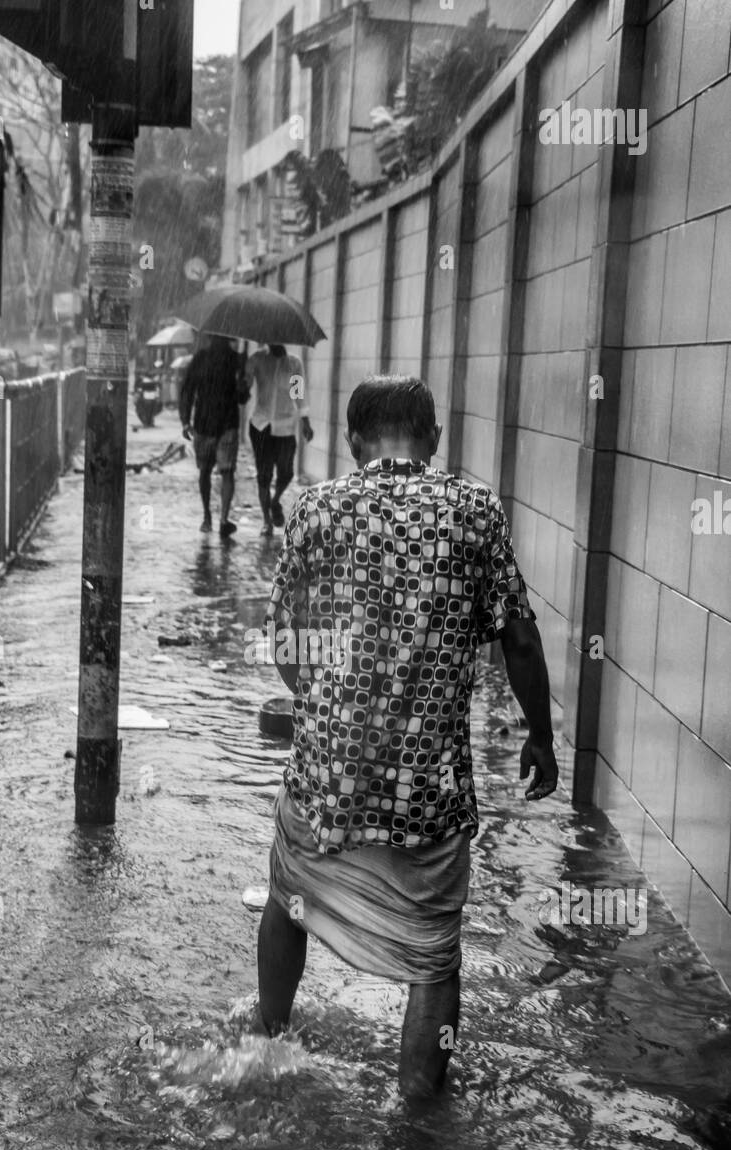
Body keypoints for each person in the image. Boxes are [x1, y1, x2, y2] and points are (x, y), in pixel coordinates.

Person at [257, 375, 558, 1102]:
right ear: (434, 439)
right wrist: (541, 736)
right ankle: (418, 1113)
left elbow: (286, 645)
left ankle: (268, 1047)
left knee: (288, 897)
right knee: (433, 959)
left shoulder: (316, 509)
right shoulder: (476, 510)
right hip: (428, 788)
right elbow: (517, 637)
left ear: (355, 441)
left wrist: (328, 709)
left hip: (328, 778)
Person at [179, 334, 248, 538]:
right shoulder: (235, 360)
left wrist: (185, 420)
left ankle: (212, 517)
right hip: (221, 423)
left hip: (209, 423)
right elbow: (242, 398)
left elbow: (187, 391)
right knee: (222, 472)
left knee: (209, 471)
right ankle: (220, 518)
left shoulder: (204, 359)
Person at [244, 343, 314, 533]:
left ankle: (274, 502)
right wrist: (245, 376)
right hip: (261, 425)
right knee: (263, 476)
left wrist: (305, 422)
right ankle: (266, 521)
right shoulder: (257, 359)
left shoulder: (293, 364)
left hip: (285, 427)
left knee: (286, 473)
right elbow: (246, 384)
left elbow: (298, 395)